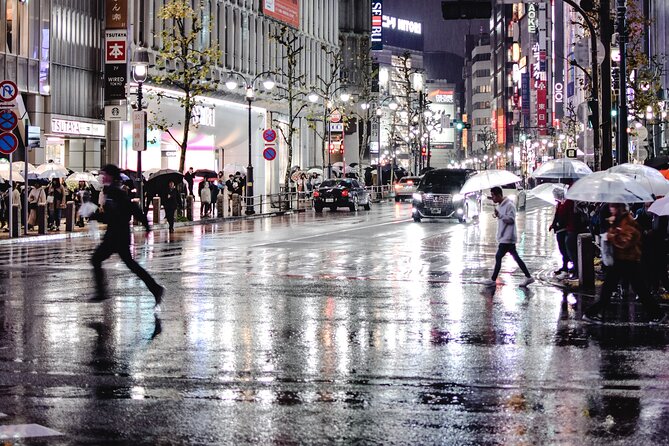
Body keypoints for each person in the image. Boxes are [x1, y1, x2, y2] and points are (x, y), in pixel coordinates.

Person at [90, 164, 164, 304]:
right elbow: (132, 209)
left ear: (110, 176)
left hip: (116, 236)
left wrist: (96, 216)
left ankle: (102, 292)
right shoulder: (113, 191)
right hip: (119, 235)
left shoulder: (114, 192)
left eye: (104, 174)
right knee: (131, 265)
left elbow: (118, 214)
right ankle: (155, 288)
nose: (102, 176)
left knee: (96, 259)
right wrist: (146, 226)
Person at [584, 203, 667, 324]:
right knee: (634, 288)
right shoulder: (618, 220)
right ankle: (657, 314)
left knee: (621, 288)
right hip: (622, 260)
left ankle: (592, 313)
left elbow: (626, 240)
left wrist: (611, 236)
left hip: (626, 260)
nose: (611, 209)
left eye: (613, 207)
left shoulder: (626, 221)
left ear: (619, 208)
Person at [483, 186, 534, 287]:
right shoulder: (500, 206)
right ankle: (529, 277)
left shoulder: (510, 205)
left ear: (499, 195)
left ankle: (493, 279)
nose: (492, 198)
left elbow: (511, 219)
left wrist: (500, 216)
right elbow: (501, 216)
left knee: (498, 256)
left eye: (493, 196)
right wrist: (497, 215)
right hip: (504, 236)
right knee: (516, 258)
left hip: (508, 237)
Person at [549, 188, 570, 278]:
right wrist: (553, 224)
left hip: (562, 230)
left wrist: (557, 224)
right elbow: (556, 216)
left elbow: (563, 217)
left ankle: (566, 268)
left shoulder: (564, 204)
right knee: (561, 249)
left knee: (564, 249)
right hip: (558, 229)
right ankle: (564, 267)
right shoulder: (559, 204)